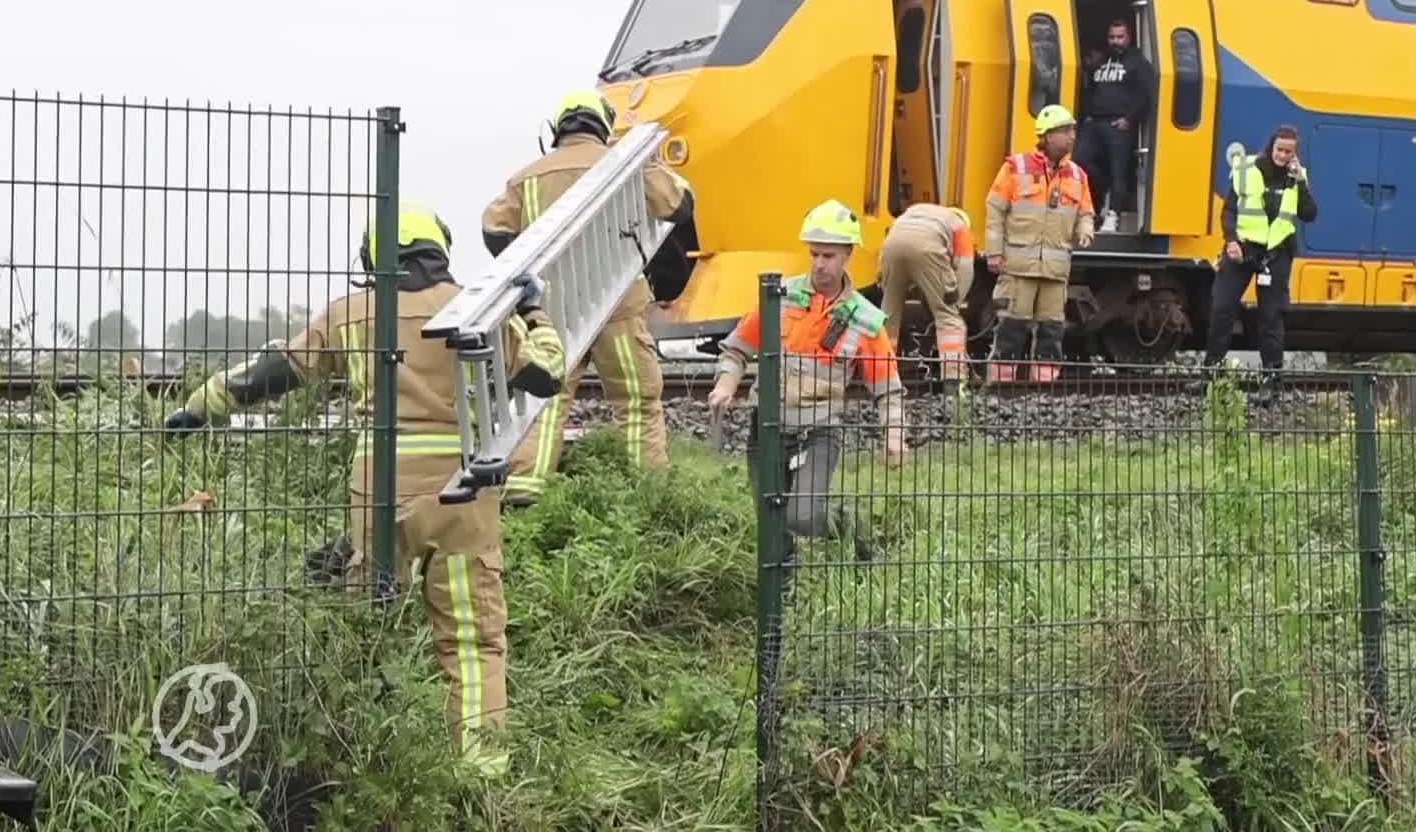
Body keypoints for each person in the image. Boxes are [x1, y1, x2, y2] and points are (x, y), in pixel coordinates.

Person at [163, 203, 566, 775]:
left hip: (377, 492)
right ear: (439, 249)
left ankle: (363, 762)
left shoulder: (351, 314)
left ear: (372, 259)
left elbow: (272, 372)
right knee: (472, 641)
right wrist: (533, 310)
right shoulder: (481, 307)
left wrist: (198, 407)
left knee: (366, 630)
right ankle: (481, 770)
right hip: (462, 489)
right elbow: (547, 373)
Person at [482, 88, 693, 505]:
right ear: (603, 125)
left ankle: (524, 492)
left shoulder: (527, 177)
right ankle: (649, 497)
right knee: (637, 403)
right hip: (620, 305)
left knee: (545, 399)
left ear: (557, 129)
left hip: (555, 311)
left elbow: (495, 230)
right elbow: (678, 205)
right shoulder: (626, 163)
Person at [707, 200, 908, 561]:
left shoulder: (864, 320)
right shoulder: (779, 297)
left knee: (801, 517)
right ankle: (783, 584)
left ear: (848, 254)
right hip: (767, 428)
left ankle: (850, 527)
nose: (819, 263)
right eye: (814, 253)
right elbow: (735, 350)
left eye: (828, 256)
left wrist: (893, 434)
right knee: (771, 523)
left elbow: (888, 390)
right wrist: (726, 384)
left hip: (819, 433)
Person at [1203, 125, 1319, 395]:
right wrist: (1231, 240)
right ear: (1271, 147)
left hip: (1277, 253)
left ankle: (1271, 383)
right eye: (1280, 149)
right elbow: (1229, 211)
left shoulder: (1297, 177)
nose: (1283, 155)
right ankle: (1211, 376)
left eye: (1288, 152)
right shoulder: (1246, 170)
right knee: (1222, 308)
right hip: (1243, 249)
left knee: (1271, 317)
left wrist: (1301, 182)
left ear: (1294, 154)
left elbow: (1309, 214)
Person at [984, 104, 1095, 383]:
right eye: (1065, 131)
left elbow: (1086, 212)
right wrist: (994, 253)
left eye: (1072, 131)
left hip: (1055, 271)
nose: (1072, 137)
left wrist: (1086, 230)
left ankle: (1045, 384)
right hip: (1018, 268)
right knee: (1011, 326)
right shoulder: (1016, 168)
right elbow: (995, 210)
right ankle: (1002, 383)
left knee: (1052, 330)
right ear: (1047, 136)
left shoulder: (1078, 175)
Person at [876, 203, 976, 380]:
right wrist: (953, 303)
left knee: (889, 312)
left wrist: (885, 280)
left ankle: (882, 373)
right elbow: (965, 269)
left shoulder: (916, 212)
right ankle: (953, 380)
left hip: (891, 245)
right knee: (948, 318)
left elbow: (893, 250)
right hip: (927, 248)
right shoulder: (960, 226)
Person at [1075, 19, 1155, 235]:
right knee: (1079, 162)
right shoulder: (1101, 60)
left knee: (1118, 171)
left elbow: (1148, 94)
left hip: (1119, 125)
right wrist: (1087, 115)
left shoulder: (1137, 61)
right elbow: (1090, 89)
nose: (1116, 41)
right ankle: (1098, 198)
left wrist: (1130, 118)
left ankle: (1113, 215)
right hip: (1095, 122)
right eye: (1112, 37)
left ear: (1129, 38)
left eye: (1120, 37)